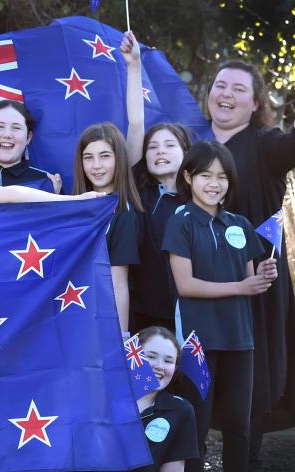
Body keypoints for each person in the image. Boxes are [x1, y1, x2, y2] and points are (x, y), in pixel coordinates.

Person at [161, 140, 278, 472]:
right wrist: (242, 286)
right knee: (197, 423)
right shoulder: (180, 221)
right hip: (198, 342)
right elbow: (186, 285)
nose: (214, 184)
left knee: (239, 425)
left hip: (240, 338)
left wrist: (264, 272)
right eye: (205, 175)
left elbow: (250, 278)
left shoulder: (239, 224)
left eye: (222, 176)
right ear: (187, 176)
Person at [205, 59, 295, 464]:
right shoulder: (188, 142)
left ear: (256, 103)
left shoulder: (266, 144)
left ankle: (248, 461)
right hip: (194, 285)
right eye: (221, 85)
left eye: (239, 89)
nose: (226, 93)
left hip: (254, 287)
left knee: (252, 383)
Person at [120, 30, 194, 333]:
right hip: (143, 315)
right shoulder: (139, 189)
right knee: (149, 381)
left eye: (169, 145)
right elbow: (137, 123)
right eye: (153, 147)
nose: (159, 151)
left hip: (189, 314)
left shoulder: (200, 199)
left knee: (186, 382)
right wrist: (134, 65)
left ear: (186, 153)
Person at [71, 122, 143, 334]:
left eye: (105, 156)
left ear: (119, 159)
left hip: (102, 321)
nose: (96, 165)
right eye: (88, 157)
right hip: (73, 311)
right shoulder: (74, 205)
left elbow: (119, 283)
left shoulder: (123, 212)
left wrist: (120, 336)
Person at [132, 326, 200, 472]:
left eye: (168, 361)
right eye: (151, 356)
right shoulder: (105, 402)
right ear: (133, 355)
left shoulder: (181, 411)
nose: (159, 366)